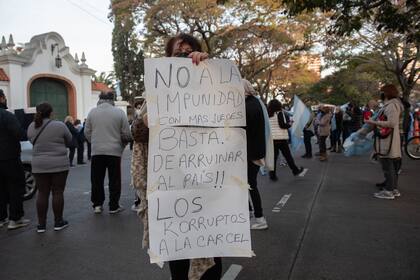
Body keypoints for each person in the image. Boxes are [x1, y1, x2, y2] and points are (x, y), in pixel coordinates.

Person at [84, 91, 132, 214]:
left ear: (99, 99)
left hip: (96, 151)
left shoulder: (92, 112)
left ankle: (97, 205)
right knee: (114, 179)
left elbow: (87, 132)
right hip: (114, 151)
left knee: (96, 179)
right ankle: (113, 205)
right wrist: (121, 145)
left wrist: (94, 142)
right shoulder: (119, 113)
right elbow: (127, 134)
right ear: (113, 99)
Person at [27, 102, 72, 232]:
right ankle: (58, 222)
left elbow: (30, 140)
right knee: (57, 192)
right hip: (59, 164)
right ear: (51, 112)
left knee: (42, 193)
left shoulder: (32, 126)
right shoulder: (60, 125)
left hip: (38, 164)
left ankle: (41, 225)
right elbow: (69, 140)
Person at [356, 84, 403, 199]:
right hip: (387, 139)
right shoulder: (390, 105)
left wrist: (374, 123)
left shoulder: (392, 106)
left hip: (388, 140)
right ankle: (393, 189)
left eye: (382, 92)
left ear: (386, 93)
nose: (381, 94)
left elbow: (391, 123)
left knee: (388, 167)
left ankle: (389, 191)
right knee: (390, 166)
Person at [0, 89, 30, 230]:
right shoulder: (7, 116)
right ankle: (15, 219)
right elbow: (20, 134)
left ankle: (1, 218)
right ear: (1, 98)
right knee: (15, 187)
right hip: (9, 158)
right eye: (4, 97)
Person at [267, 99, 306, 179]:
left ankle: (272, 175)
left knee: (274, 158)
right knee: (288, 156)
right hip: (281, 138)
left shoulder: (268, 114)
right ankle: (295, 170)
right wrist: (290, 123)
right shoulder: (280, 113)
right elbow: (282, 125)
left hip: (272, 139)